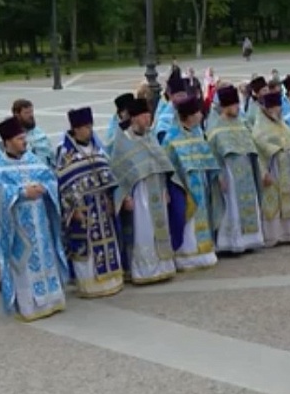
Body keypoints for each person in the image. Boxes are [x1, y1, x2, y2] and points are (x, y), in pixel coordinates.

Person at [0, 117, 68, 322]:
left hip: (41, 224)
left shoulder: (32, 159)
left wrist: (46, 188)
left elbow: (49, 177)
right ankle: (29, 306)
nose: (24, 142)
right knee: (25, 266)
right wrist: (21, 193)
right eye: (20, 139)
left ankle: (53, 300)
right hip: (18, 228)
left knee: (45, 258)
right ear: (8, 141)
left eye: (24, 138)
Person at [110, 94, 183, 284]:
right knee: (143, 232)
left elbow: (161, 165)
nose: (148, 119)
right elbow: (119, 173)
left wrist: (166, 189)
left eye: (149, 116)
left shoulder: (150, 138)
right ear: (134, 118)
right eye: (144, 116)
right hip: (139, 195)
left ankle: (164, 267)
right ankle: (144, 271)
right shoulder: (123, 141)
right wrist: (124, 197)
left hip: (157, 192)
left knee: (160, 230)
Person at [55, 107, 126, 298]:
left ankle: (112, 280)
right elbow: (63, 185)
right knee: (86, 247)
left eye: (90, 126)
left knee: (108, 242)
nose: (89, 130)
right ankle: (89, 285)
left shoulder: (98, 149)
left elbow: (109, 177)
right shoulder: (65, 156)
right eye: (85, 127)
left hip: (102, 205)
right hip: (83, 209)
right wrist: (73, 210)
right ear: (76, 129)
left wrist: (112, 199)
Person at [160, 93, 221, 272]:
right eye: (198, 113)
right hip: (183, 188)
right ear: (189, 116)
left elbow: (206, 157)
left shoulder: (198, 133)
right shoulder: (171, 138)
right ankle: (187, 256)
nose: (201, 115)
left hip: (201, 184)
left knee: (202, 217)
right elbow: (167, 168)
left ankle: (205, 252)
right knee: (188, 220)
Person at [207, 84, 266, 254]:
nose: (237, 108)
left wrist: (259, 170)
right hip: (229, 174)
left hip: (246, 172)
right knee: (231, 207)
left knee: (249, 203)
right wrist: (218, 175)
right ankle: (232, 242)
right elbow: (212, 155)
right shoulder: (215, 129)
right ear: (225, 106)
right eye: (234, 105)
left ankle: (250, 240)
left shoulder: (242, 125)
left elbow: (252, 149)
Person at [253, 90, 290, 246]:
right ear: (266, 109)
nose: (278, 110)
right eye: (274, 107)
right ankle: (274, 235)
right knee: (274, 201)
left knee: (289, 199)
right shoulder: (259, 128)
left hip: (286, 168)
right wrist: (263, 172)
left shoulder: (282, 124)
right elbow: (258, 152)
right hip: (273, 169)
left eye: (279, 107)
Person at [12, 99, 54, 167]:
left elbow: (51, 156)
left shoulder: (39, 132)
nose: (31, 115)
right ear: (17, 115)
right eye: (26, 113)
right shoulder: (12, 137)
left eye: (31, 112)